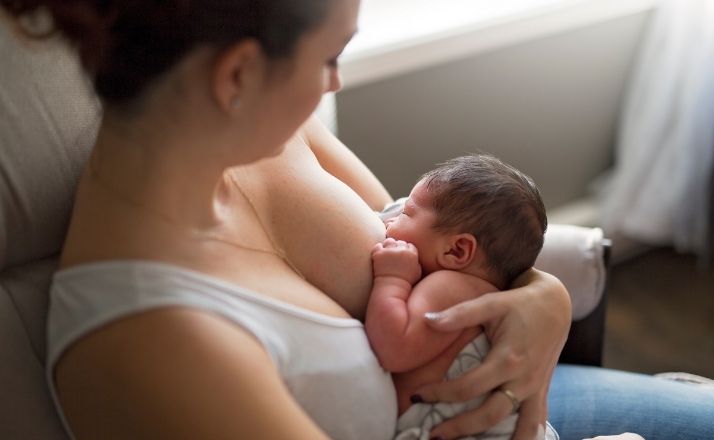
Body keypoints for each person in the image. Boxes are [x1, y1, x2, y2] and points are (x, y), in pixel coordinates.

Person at [1, 1, 711, 440]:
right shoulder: (150, 343)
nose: (334, 86)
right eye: (331, 57)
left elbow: (441, 251)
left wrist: (541, 298)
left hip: (498, 404)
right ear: (238, 77)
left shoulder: (270, 135)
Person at [365, 154, 557, 440]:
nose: (389, 219)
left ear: (456, 251)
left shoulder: (449, 287)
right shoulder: (487, 290)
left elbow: (393, 348)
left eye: (406, 212)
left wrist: (392, 279)